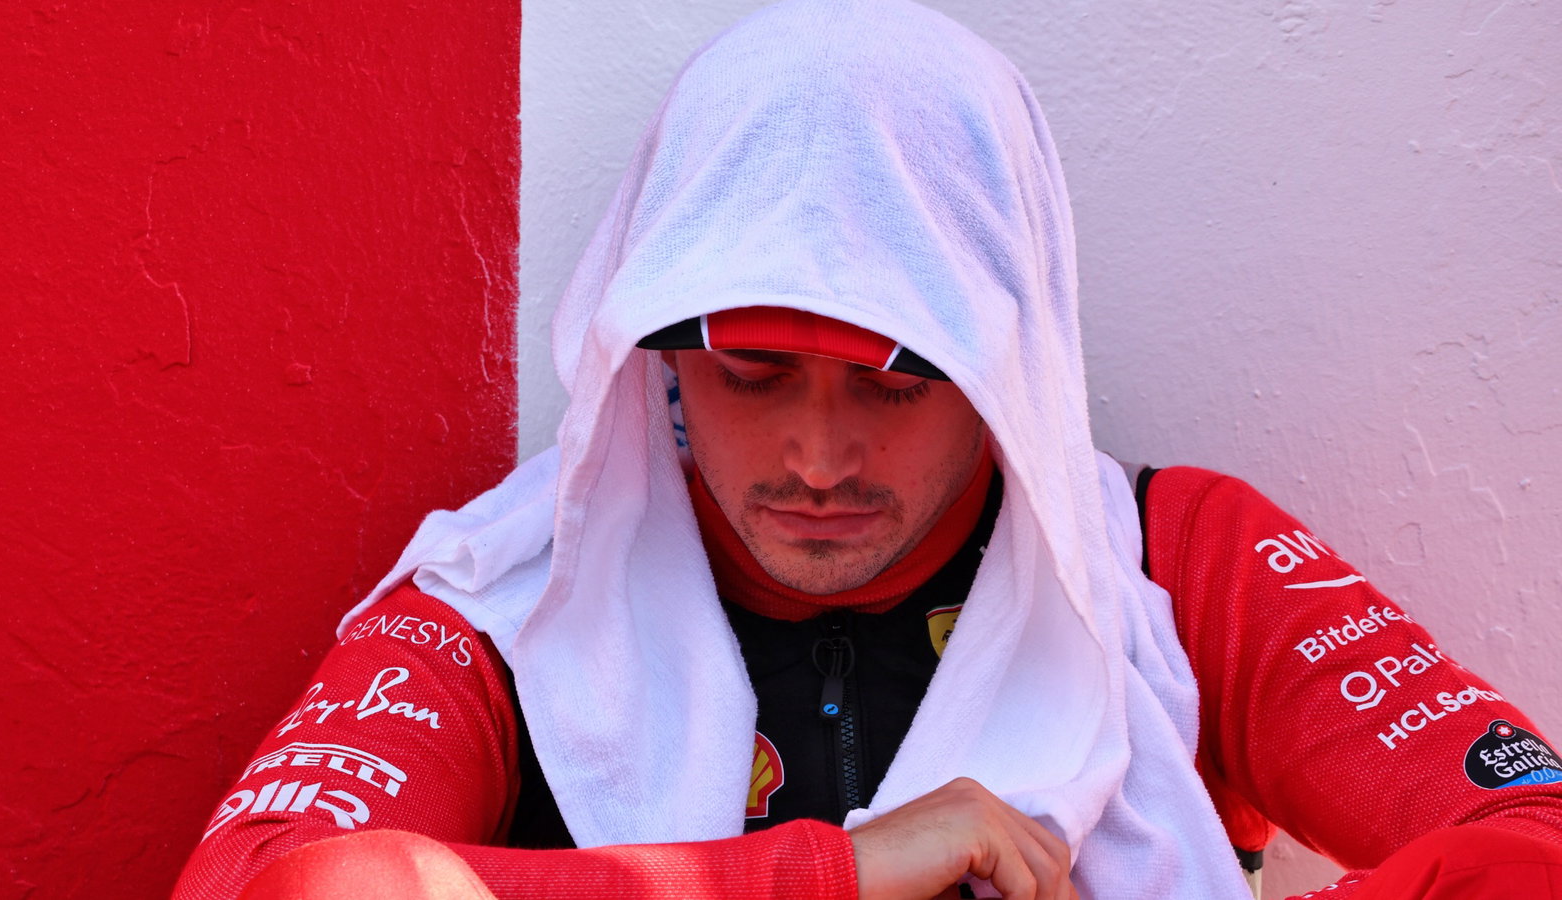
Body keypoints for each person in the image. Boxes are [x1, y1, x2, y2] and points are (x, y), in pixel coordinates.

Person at [174, 1, 1562, 897]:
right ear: (654, 351)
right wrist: (833, 875)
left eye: (898, 386)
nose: (820, 458)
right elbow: (279, 887)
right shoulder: (509, 593)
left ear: (1009, 361)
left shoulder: (1170, 563)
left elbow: (1536, 840)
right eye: (753, 373)